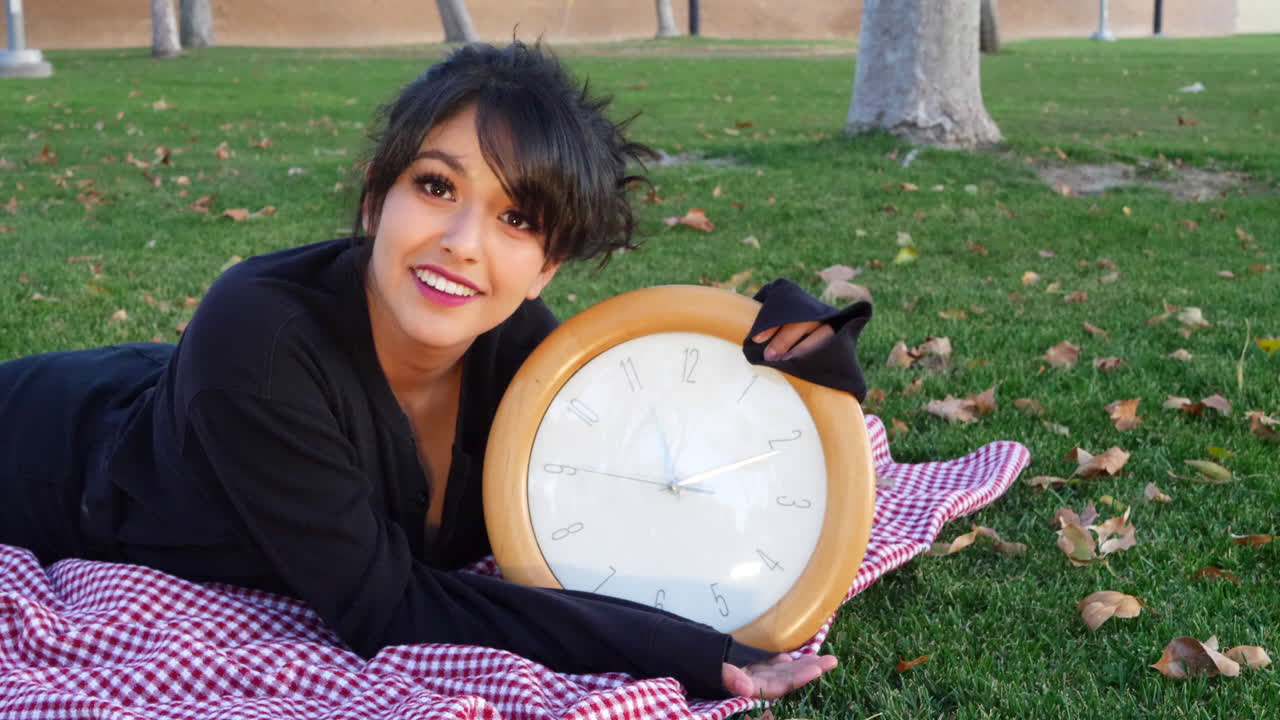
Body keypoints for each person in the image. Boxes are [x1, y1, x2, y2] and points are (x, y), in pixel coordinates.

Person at [0, 41, 871, 701]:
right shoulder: (255, 340)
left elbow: (661, 456)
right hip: (52, 448)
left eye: (518, 219)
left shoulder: (521, 349)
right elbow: (391, 611)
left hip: (185, 390)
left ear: (547, 267)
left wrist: (806, 363)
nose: (463, 245)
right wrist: (688, 654)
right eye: (438, 186)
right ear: (379, 196)